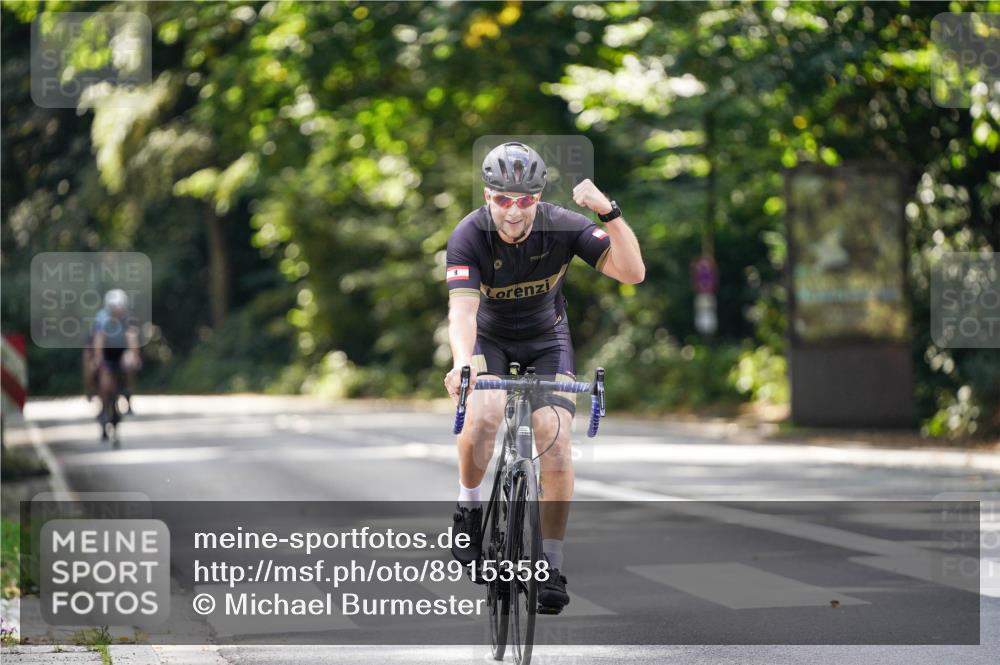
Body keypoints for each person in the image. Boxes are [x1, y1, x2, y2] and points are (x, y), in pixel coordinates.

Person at [443, 142, 645, 613]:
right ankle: (469, 508)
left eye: (525, 200)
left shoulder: (565, 225)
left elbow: (632, 273)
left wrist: (608, 213)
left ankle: (550, 564)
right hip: (487, 340)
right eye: (502, 199)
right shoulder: (470, 234)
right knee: (487, 412)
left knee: (554, 437)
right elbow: (462, 312)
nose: (514, 212)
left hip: (546, 339)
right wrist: (463, 361)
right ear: (487, 195)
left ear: (539, 197)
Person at [90, 289, 141, 439]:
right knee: (105, 385)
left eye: (119, 308)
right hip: (107, 355)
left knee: (130, 362)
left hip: (121, 354)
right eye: (114, 308)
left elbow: (132, 339)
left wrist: (135, 356)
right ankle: (103, 409)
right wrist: (98, 358)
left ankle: (127, 391)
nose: (116, 311)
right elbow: (99, 340)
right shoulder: (103, 321)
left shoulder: (127, 320)